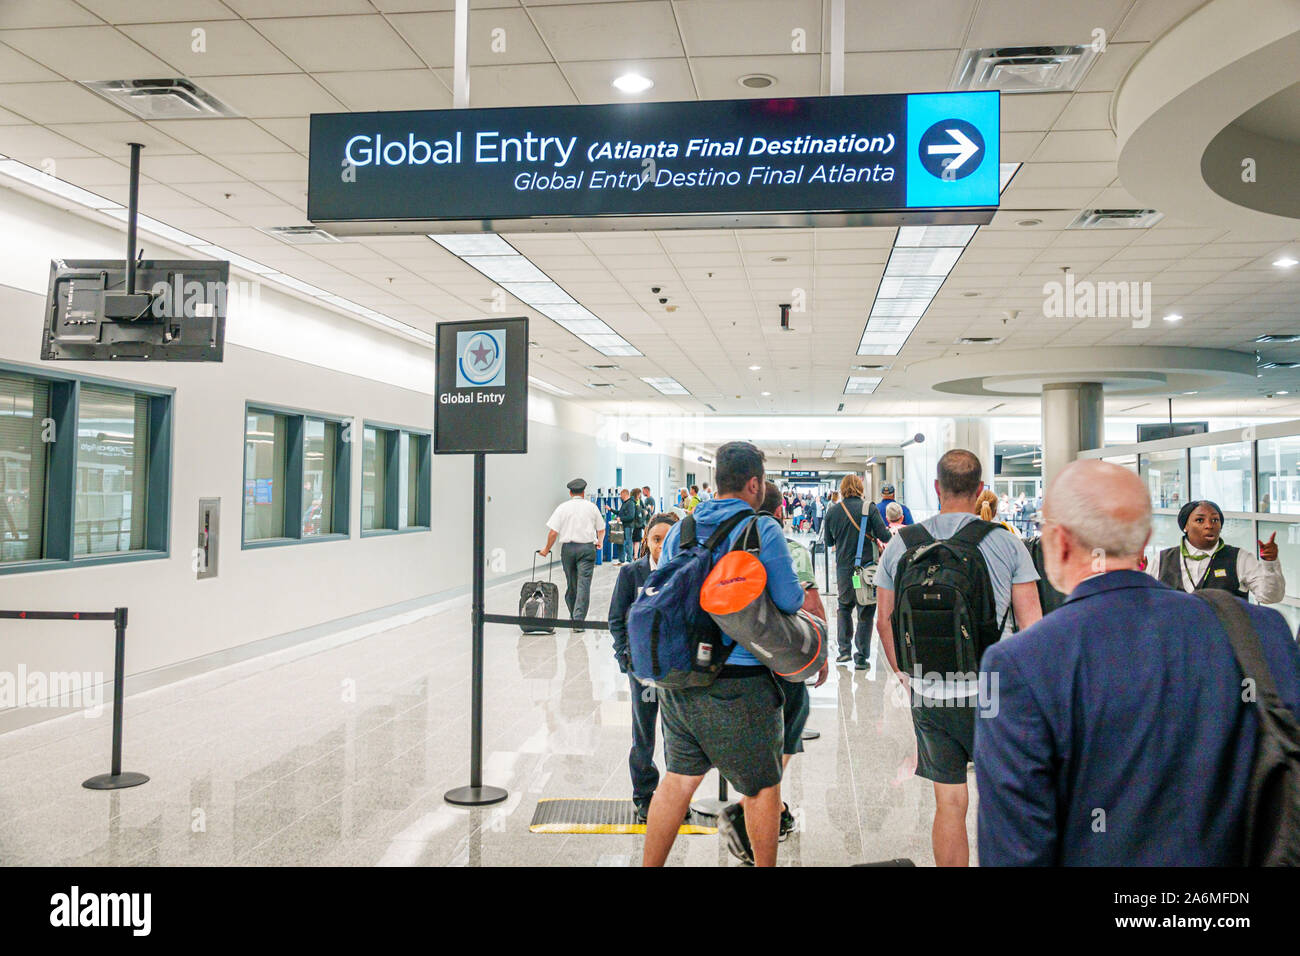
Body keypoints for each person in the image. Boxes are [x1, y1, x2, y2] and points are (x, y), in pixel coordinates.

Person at [976, 460, 1300, 865]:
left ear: (1057, 542)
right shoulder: (1263, 632)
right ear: (1144, 539)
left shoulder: (1022, 662)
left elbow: (1016, 848)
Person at [874, 449, 1042, 867]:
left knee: (949, 801)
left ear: (936, 487)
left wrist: (906, 677)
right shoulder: (1006, 543)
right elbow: (1033, 626)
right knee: (1004, 801)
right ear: (981, 489)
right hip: (993, 692)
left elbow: (884, 621)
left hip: (930, 690)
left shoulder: (902, 544)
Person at [642, 442, 803, 868]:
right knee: (761, 788)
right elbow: (788, 601)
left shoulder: (683, 528)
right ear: (755, 483)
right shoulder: (759, 529)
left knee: (676, 783)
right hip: (739, 683)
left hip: (680, 679)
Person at [608, 512, 680, 822]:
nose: (660, 546)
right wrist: (624, 656)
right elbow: (616, 618)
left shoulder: (683, 572)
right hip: (642, 670)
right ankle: (644, 795)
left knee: (675, 734)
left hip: (675, 670)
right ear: (646, 540)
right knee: (644, 734)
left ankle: (674, 797)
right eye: (655, 539)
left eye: (667, 540)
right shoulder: (631, 574)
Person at [1151, 499, 1285, 604]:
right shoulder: (1162, 559)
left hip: (1227, 638)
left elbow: (1270, 597)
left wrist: (1270, 563)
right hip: (1175, 638)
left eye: (1215, 520)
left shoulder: (1240, 558)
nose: (1209, 525)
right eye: (1200, 520)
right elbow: (1145, 600)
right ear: (1185, 526)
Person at [823, 474, 892, 669]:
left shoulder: (833, 511)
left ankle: (844, 651)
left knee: (844, 607)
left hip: (845, 570)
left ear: (842, 489)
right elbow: (884, 535)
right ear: (860, 488)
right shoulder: (868, 508)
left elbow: (828, 542)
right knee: (866, 610)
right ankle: (861, 657)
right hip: (866, 570)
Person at [540, 478, 605, 633]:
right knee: (583, 585)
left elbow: (553, 532)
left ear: (570, 492)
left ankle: (574, 616)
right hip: (587, 549)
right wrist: (600, 542)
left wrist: (545, 549)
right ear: (583, 492)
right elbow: (601, 528)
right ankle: (578, 620)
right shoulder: (592, 507)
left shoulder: (563, 508)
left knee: (572, 584)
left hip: (568, 549)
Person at [616, 488, 640, 565]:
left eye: (621, 494)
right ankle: (622, 559)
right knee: (621, 542)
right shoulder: (625, 503)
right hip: (623, 526)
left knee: (628, 543)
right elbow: (620, 512)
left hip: (628, 526)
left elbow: (631, 516)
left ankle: (629, 560)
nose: (620, 496)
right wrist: (610, 509)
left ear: (625, 494)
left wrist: (621, 519)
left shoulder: (630, 503)